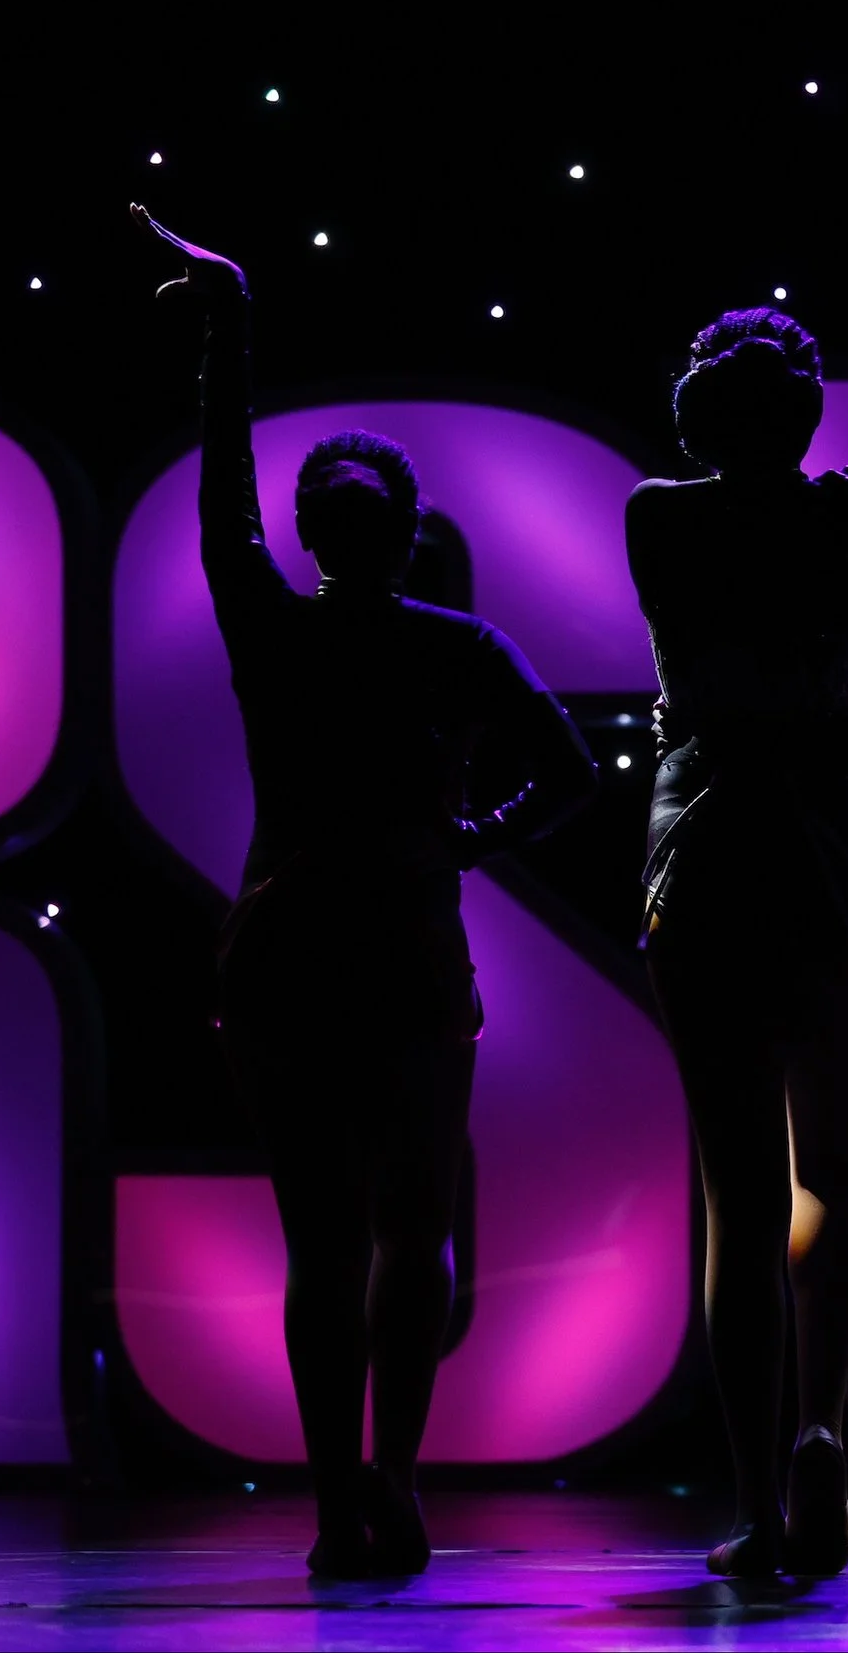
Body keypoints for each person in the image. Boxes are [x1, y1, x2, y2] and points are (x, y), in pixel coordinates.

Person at [133, 206, 599, 1578]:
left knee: (330, 1241)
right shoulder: (454, 646)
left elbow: (224, 493)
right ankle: (384, 1476)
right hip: (391, 949)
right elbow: (567, 775)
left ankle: (350, 1488)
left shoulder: (275, 623)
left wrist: (231, 323)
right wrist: (470, 837)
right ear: (405, 530)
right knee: (406, 1229)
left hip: (292, 954)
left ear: (332, 526)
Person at [627, 308, 848, 1579]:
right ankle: (818, 1434)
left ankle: (758, 1490)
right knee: (833, 1176)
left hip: (707, 857)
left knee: (738, 1196)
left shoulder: (664, 515)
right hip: (824, 860)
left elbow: (706, 683)